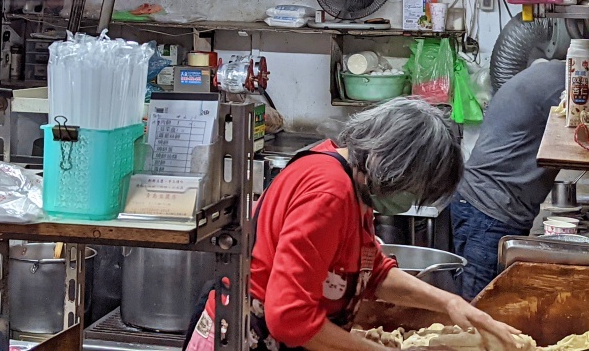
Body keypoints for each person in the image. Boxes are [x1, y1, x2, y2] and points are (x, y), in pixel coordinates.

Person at [184, 98, 524, 351]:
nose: (410, 201)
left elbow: (369, 272)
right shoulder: (328, 193)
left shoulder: (352, 181)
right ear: (391, 164)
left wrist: (451, 303)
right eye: (413, 189)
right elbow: (289, 318)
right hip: (245, 339)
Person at [450, 60, 566, 300]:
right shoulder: (563, 87)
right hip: (490, 212)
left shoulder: (547, 76)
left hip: (480, 204)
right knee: (480, 310)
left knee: (477, 306)